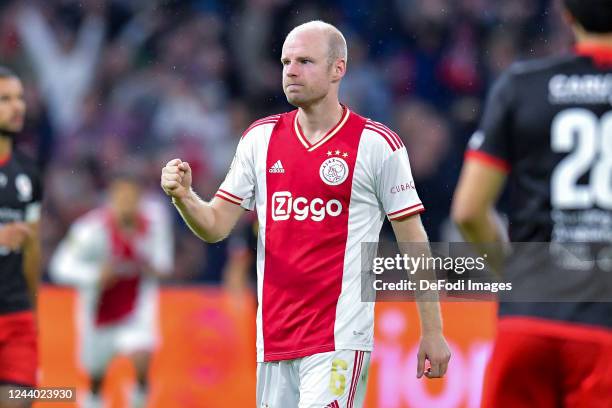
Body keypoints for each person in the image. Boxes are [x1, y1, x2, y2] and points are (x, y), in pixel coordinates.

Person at [161, 20, 450, 407]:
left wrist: (432, 331)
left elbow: (413, 239)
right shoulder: (259, 139)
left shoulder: (376, 144)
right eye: (286, 62)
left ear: (338, 69)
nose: (291, 71)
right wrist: (184, 197)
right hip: (274, 341)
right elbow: (215, 226)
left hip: (339, 341)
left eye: (305, 61)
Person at [452, 1, 612, 406]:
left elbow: (469, 210)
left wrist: (521, 274)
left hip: (529, 320)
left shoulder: (522, 85)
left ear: (566, 14)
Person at [50, 173, 173, 408]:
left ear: (140, 198)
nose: (127, 202)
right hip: (99, 313)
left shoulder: (155, 224)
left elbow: (163, 263)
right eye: (121, 196)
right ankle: (95, 399)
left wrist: (153, 268)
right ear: (111, 198)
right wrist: (96, 275)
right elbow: (60, 267)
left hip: (137, 311)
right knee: (97, 377)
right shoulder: (90, 229)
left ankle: (138, 400)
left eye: (132, 196)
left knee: (142, 361)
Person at [0, 67, 42, 408]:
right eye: (5, 99)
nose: (18, 107)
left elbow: (32, 248)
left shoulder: (28, 173)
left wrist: (35, 312)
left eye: (19, 98)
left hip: (17, 316)